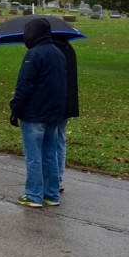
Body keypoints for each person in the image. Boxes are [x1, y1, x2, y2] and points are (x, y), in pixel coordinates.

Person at [10, 18, 67, 207]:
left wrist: (15, 108)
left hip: (34, 113)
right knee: (50, 154)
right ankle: (51, 193)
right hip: (53, 112)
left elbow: (24, 85)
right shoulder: (59, 53)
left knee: (34, 155)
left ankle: (34, 194)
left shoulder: (33, 55)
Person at [54, 35, 80, 194]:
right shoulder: (68, 48)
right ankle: (58, 177)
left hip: (55, 101)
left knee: (52, 140)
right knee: (60, 139)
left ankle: (54, 178)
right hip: (67, 101)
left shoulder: (54, 50)